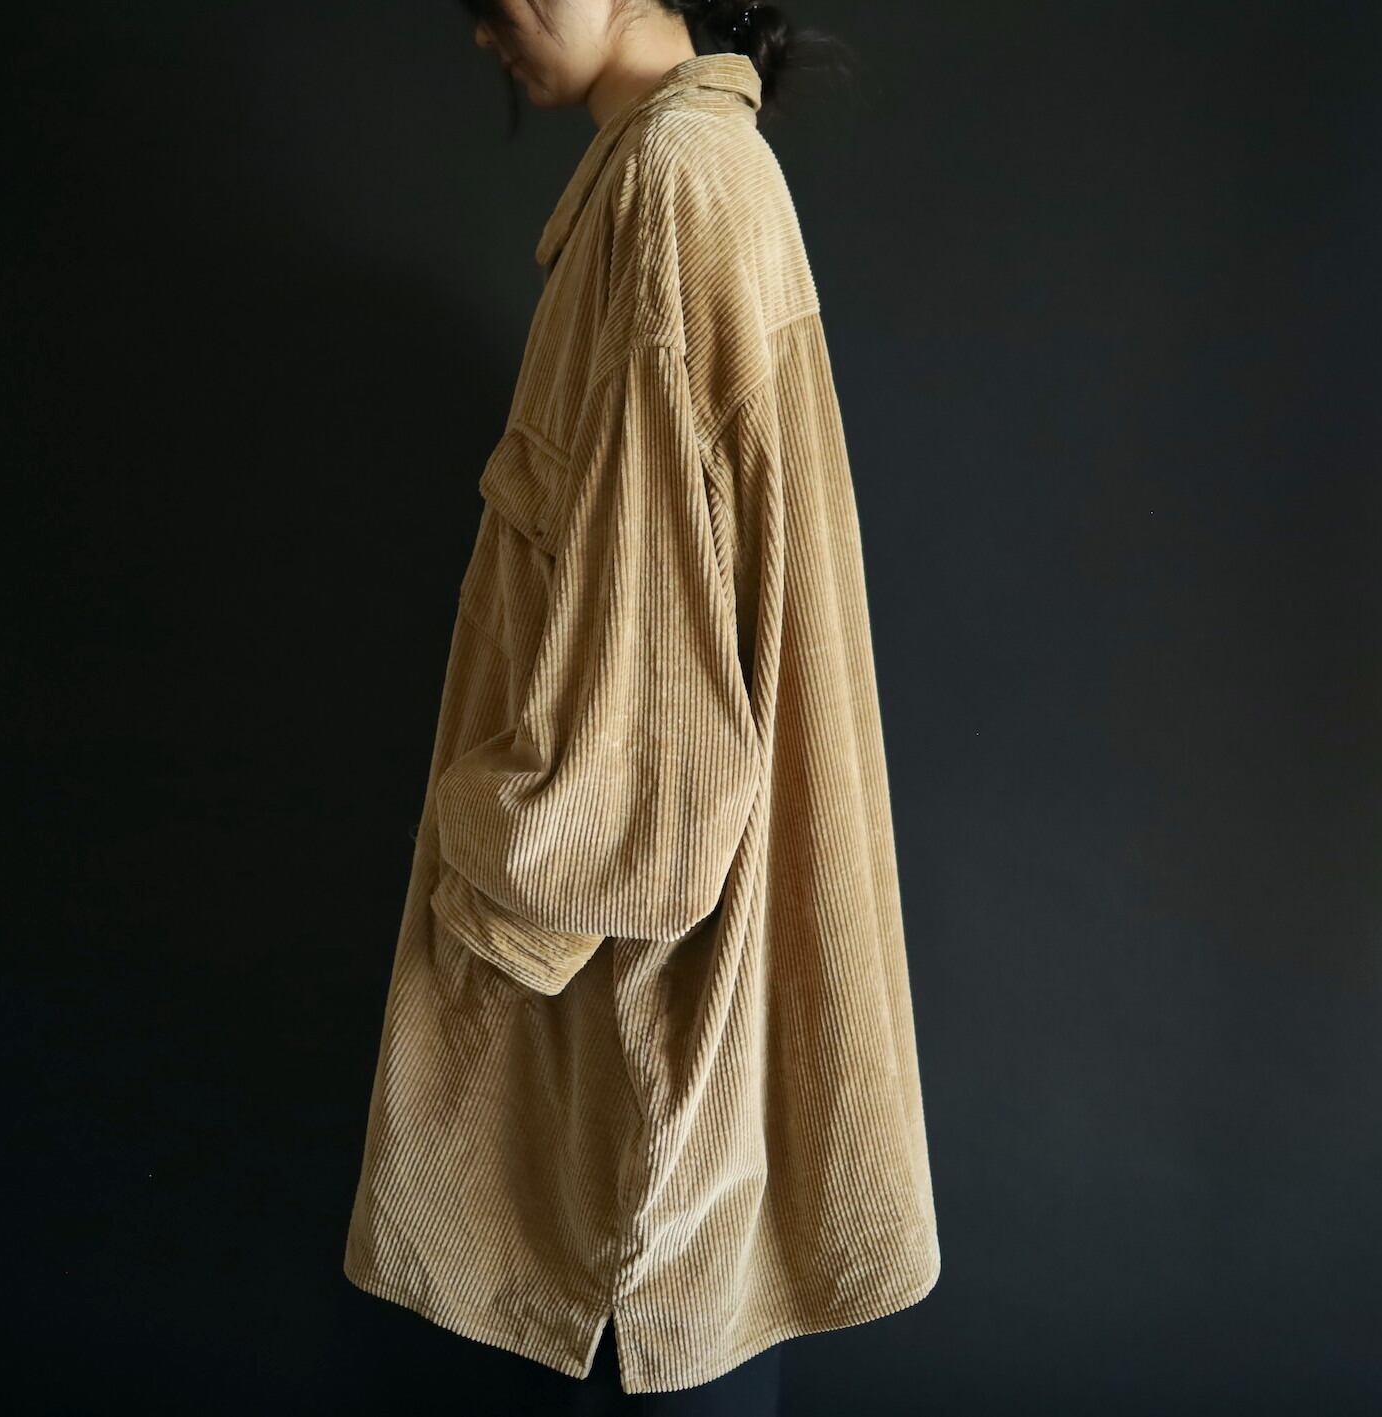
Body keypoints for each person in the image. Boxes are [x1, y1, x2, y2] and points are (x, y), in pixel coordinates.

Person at [343, 2, 941, 1409]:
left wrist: (490, 877)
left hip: (635, 1013)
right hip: (663, 1003)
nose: (480, 22)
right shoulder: (688, 173)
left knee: (644, 1310)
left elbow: (650, 742)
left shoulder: (675, 184)